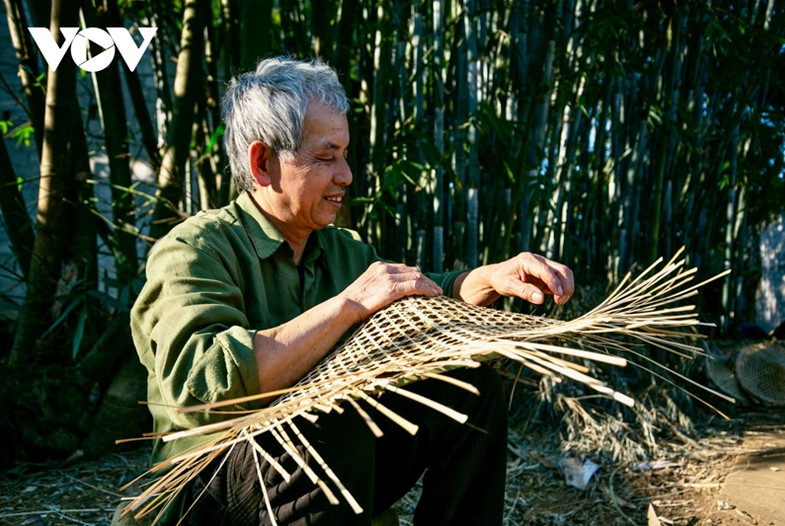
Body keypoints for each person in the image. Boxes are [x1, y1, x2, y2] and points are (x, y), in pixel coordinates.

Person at [130, 56, 574, 526]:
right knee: (326, 418)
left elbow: (409, 296)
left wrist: (482, 280)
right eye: (325, 157)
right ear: (263, 163)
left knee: (469, 387)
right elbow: (199, 389)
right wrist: (348, 306)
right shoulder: (192, 251)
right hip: (210, 491)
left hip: (314, 477)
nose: (346, 175)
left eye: (344, 154)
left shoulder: (341, 251)